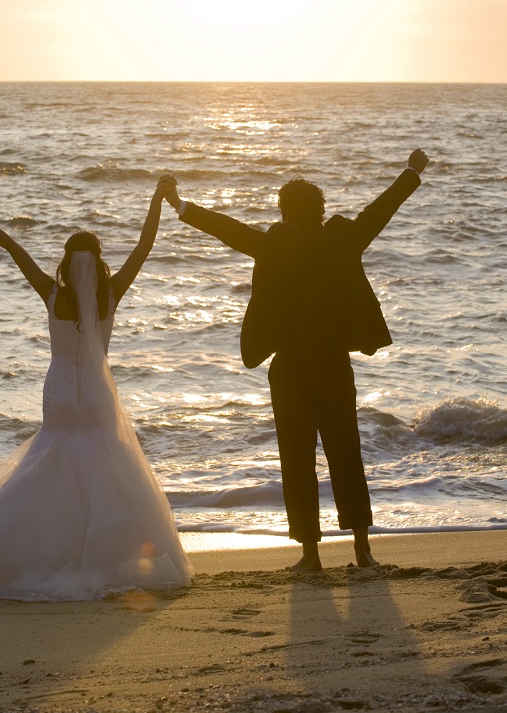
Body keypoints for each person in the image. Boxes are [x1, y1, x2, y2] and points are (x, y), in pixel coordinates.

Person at [0, 176, 192, 600]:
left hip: (61, 391)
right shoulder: (112, 292)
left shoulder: (50, 291)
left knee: (55, 463)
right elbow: (144, 246)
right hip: (99, 395)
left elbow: (11, 246)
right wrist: (157, 200)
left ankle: (35, 553)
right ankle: (103, 554)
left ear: (66, 262)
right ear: (99, 262)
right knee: (103, 467)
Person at [165, 150, 430, 570]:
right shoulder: (343, 239)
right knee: (346, 452)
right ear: (320, 212)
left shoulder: (272, 245)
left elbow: (226, 229)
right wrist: (412, 171)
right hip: (332, 366)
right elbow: (382, 208)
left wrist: (179, 204)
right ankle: (362, 549)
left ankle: (310, 554)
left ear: (284, 212)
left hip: (289, 369)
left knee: (297, 458)